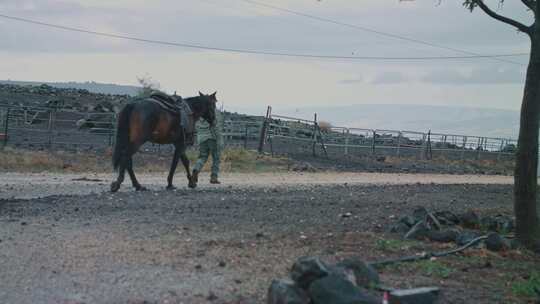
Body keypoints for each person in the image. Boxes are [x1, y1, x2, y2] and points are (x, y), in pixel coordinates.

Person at [192, 107, 224, 184]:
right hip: (213, 138)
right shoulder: (215, 112)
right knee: (216, 158)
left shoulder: (199, 113)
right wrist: (219, 140)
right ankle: (214, 177)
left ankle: (196, 169)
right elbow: (217, 126)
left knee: (202, 157)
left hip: (201, 138)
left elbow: (196, 126)